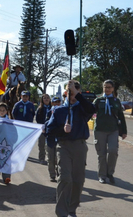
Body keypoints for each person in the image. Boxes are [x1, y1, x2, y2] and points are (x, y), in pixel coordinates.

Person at [46, 80, 95, 217]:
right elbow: (49, 130)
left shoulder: (82, 109)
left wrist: (78, 94)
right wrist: (62, 130)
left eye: (76, 91)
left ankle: (71, 209)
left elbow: (92, 110)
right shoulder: (58, 110)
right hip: (64, 146)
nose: (73, 94)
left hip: (80, 146)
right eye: (71, 92)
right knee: (65, 178)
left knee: (78, 180)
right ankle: (61, 212)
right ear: (66, 93)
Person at [93, 79, 127, 184]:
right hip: (100, 130)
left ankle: (110, 173)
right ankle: (102, 175)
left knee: (113, 151)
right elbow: (89, 112)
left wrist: (124, 131)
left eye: (109, 87)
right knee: (101, 154)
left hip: (113, 130)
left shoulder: (116, 101)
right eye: (105, 87)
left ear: (113, 89)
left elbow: (121, 116)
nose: (107, 89)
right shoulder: (98, 100)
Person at [45, 96, 61, 182]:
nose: (56, 104)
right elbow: (46, 124)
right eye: (55, 102)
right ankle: (52, 175)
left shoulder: (63, 112)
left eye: (58, 102)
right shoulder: (48, 112)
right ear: (52, 103)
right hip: (50, 139)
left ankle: (59, 174)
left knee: (59, 159)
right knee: (50, 159)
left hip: (59, 139)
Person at [35, 94, 51, 165]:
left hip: (50, 129)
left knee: (50, 145)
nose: (46, 99)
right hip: (42, 129)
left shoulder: (52, 108)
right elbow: (37, 119)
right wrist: (42, 128)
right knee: (41, 145)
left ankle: (50, 159)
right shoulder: (40, 108)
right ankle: (41, 158)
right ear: (42, 100)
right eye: (44, 98)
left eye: (47, 98)